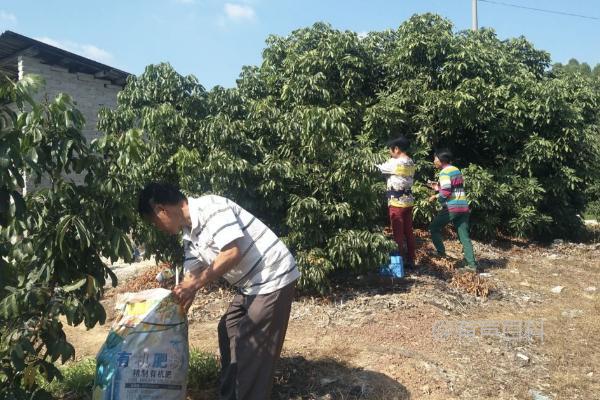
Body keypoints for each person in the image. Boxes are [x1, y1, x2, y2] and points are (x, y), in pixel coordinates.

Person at [137, 182, 300, 400]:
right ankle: (231, 394)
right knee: (228, 328)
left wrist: (194, 285)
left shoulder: (211, 207)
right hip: (251, 284)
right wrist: (179, 302)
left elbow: (232, 252)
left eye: (154, 222)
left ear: (161, 210)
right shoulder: (188, 234)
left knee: (250, 344)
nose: (157, 227)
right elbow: (192, 273)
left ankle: (249, 394)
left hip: (273, 276)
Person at [427, 149, 478, 272]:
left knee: (434, 228)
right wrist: (438, 187)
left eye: (435, 159)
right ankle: (471, 265)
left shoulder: (444, 173)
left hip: (452, 207)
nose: (434, 161)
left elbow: (446, 192)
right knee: (464, 236)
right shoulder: (456, 170)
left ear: (441, 160)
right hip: (463, 206)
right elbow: (454, 187)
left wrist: (435, 197)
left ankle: (441, 254)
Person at [376, 136, 416, 269]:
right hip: (408, 202)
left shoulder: (394, 163)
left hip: (396, 203)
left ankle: (399, 262)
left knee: (397, 234)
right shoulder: (410, 161)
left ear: (397, 149)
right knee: (408, 232)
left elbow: (378, 168)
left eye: (390, 149)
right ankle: (411, 260)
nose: (389, 152)